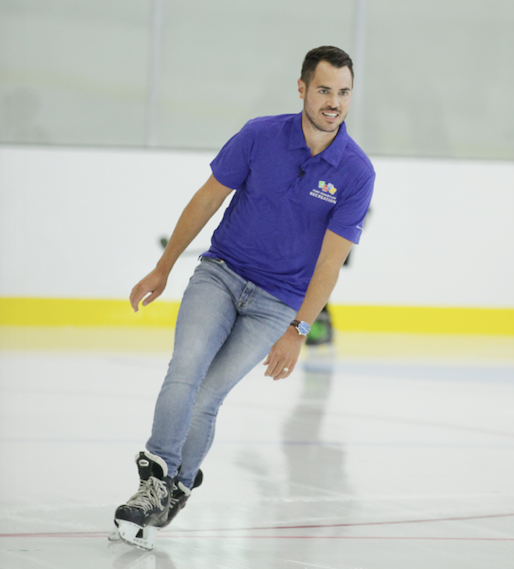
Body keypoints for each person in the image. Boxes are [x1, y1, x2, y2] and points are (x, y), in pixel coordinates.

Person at [110, 46, 375, 551]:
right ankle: (155, 480)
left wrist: (298, 330)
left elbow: (329, 263)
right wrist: (164, 267)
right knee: (186, 369)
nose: (334, 102)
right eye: (324, 90)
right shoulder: (259, 135)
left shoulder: (356, 173)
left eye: (343, 92)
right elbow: (207, 199)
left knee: (209, 395)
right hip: (221, 275)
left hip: (277, 302)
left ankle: (180, 484)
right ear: (301, 89)